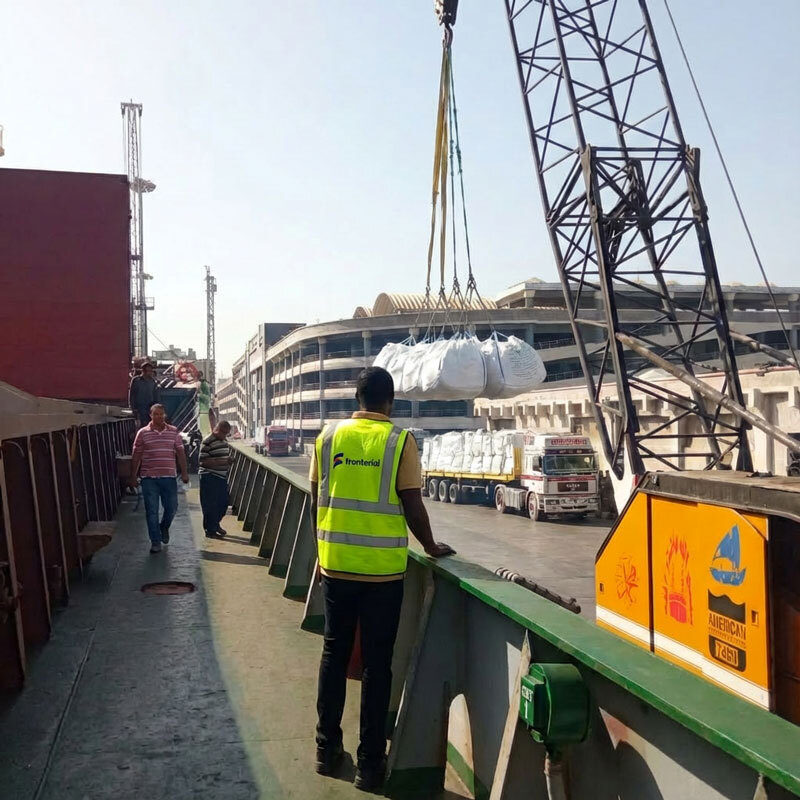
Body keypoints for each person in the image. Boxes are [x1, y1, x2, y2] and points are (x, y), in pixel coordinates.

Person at [309, 366, 455, 792]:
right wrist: (431, 545)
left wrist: (322, 550)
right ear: (389, 402)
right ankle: (370, 765)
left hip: (336, 564)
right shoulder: (399, 441)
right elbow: (412, 503)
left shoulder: (327, 437)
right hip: (382, 574)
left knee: (334, 654)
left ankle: (325, 750)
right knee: (377, 665)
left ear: (358, 399)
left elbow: (316, 498)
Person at [128, 403, 189, 553]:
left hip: (169, 478)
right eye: (155, 414)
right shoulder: (142, 433)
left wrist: (184, 472)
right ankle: (155, 542)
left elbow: (180, 453)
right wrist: (133, 476)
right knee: (152, 511)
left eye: (161, 414)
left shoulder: (174, 432)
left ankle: (164, 527)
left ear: (165, 415)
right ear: (151, 415)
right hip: (149, 478)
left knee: (172, 508)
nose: (159, 417)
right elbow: (136, 455)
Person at [199, 420, 233, 538]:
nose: (224, 435)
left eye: (226, 433)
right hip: (209, 476)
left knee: (223, 503)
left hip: (221, 477)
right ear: (217, 429)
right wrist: (223, 461)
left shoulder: (224, 441)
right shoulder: (207, 441)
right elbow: (202, 462)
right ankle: (210, 530)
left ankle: (215, 524)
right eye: (223, 432)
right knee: (210, 505)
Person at [129, 362, 160, 429]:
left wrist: (156, 407)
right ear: (143, 371)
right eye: (147, 371)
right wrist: (132, 407)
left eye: (150, 371)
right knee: (140, 427)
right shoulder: (136, 380)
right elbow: (132, 394)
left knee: (150, 427)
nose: (149, 373)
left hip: (150, 408)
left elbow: (155, 395)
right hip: (139, 408)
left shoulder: (152, 382)